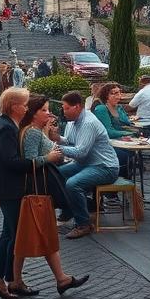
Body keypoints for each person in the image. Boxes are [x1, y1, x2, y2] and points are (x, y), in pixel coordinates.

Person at [0, 87, 87, 299]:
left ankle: (6, 279)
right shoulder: (6, 128)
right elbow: (9, 162)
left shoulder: (9, 125)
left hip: (8, 189)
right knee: (13, 236)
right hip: (10, 190)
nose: (27, 108)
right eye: (24, 104)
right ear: (14, 106)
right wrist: (46, 159)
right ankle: (2, 279)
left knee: (10, 235)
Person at [56, 91, 119, 239]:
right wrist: (57, 138)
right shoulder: (73, 121)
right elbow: (70, 141)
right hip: (87, 164)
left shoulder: (88, 123)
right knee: (56, 174)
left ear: (77, 107)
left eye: (66, 108)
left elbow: (80, 152)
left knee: (73, 184)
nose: (64, 112)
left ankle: (83, 224)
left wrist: (57, 149)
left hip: (105, 167)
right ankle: (70, 209)